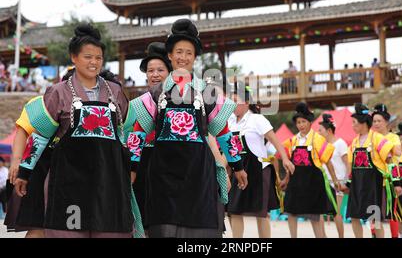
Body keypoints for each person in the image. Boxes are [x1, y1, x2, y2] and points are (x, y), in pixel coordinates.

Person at [127, 18, 248, 238]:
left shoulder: (206, 91)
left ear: (194, 57)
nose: (183, 57)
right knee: (164, 225)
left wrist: (237, 165)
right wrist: (133, 167)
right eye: (179, 52)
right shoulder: (156, 93)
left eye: (189, 53)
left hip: (198, 172)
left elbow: (222, 131)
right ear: (170, 55)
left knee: (199, 227)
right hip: (163, 174)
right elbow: (138, 131)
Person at [13, 23, 136, 238]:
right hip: (69, 181)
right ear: (74, 57)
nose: (94, 62)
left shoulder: (115, 92)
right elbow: (41, 136)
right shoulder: (57, 92)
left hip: (109, 180)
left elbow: (126, 133)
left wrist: (132, 166)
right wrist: (25, 171)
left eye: (98, 58)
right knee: (68, 231)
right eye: (88, 57)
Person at [227, 82, 294, 238]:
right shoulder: (230, 122)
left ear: (247, 102)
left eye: (235, 101)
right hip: (239, 170)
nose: (232, 105)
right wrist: (222, 168)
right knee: (234, 210)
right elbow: (228, 150)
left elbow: (275, 140)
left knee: (260, 213)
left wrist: (285, 159)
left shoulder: (257, 119)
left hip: (259, 170)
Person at [127, 42, 172, 234]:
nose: (155, 74)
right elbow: (132, 138)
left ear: (170, 72)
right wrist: (131, 168)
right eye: (150, 70)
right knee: (145, 218)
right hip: (143, 165)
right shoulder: (137, 104)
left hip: (172, 163)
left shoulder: (184, 101)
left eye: (160, 70)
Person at [281, 102, 340, 238]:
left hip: (313, 182)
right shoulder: (292, 140)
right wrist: (286, 179)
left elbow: (328, 162)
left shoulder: (318, 139)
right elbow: (288, 161)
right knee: (291, 212)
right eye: (298, 122)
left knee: (315, 216)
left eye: (303, 122)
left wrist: (335, 179)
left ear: (310, 122)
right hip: (295, 182)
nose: (301, 125)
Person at [343, 103, 396, 238]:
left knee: (375, 220)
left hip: (372, 185)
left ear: (363, 123)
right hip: (356, 185)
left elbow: (390, 159)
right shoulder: (354, 142)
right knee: (354, 217)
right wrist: (347, 183)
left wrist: (396, 182)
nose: (352, 126)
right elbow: (350, 166)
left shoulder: (377, 138)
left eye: (354, 123)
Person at [371, 103, 402, 238]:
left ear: (386, 122)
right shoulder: (370, 137)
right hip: (374, 181)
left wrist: (397, 183)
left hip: (390, 180)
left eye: (379, 121)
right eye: (374, 121)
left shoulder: (393, 137)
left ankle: (395, 236)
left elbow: (397, 152)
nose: (376, 124)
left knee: (392, 213)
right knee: (375, 213)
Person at [317, 113, 349, 238]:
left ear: (329, 130)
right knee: (319, 213)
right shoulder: (321, 145)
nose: (318, 132)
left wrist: (345, 182)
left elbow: (348, 164)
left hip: (337, 183)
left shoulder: (340, 143)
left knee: (336, 213)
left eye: (320, 130)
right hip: (322, 182)